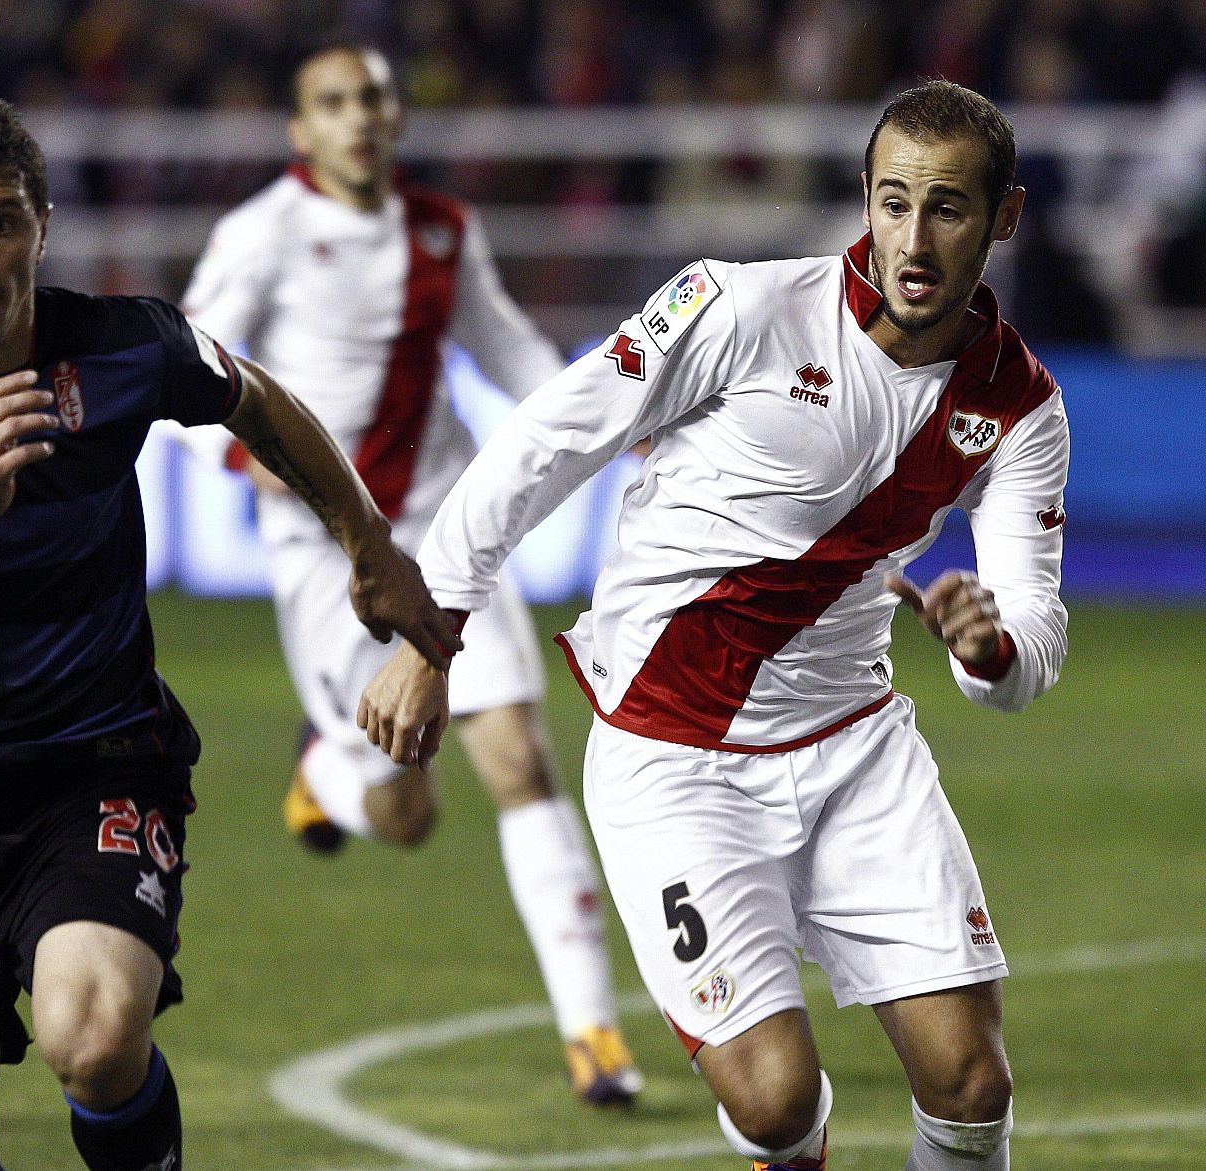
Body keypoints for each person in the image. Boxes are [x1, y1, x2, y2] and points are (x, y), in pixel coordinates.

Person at [361, 80, 1070, 1171]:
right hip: (671, 756)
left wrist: (991, 650)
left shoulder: (1018, 406)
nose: (913, 238)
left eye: (948, 208)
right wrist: (431, 632)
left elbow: (1029, 640)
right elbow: (549, 437)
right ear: (864, 201)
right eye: (891, 202)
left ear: (1004, 216)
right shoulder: (738, 308)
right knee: (777, 1099)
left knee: (971, 1082)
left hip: (853, 746)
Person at [0, 88, 458, 1171]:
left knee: (94, 1037)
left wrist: (369, 548)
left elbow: (255, 400)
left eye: (3, 220)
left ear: (43, 226)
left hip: (96, 764)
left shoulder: (120, 346)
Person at [179, 40, 641, 1105]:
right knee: (407, 808)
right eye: (335, 103)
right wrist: (269, 472)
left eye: (375, 101)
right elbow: (186, 377)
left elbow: (512, 350)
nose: (359, 119)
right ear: (300, 130)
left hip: (445, 523)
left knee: (520, 757)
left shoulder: (443, 228)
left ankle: (593, 1037)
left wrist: (628, 415)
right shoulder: (261, 234)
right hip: (325, 548)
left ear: (395, 120)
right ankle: (331, 777)